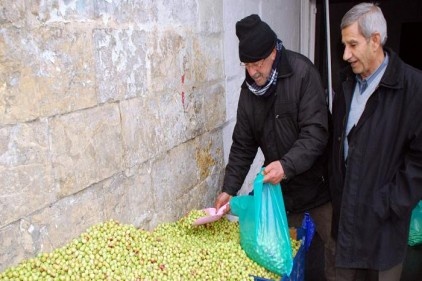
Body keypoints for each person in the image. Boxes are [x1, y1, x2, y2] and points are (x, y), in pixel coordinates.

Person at [213, 14, 335, 280]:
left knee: (329, 258)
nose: (252, 72)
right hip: (283, 196)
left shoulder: (303, 75)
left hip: (318, 190)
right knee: (288, 259)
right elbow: (243, 146)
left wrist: (286, 165)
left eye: (257, 64)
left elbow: (316, 133)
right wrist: (228, 189)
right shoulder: (249, 93)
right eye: (246, 65)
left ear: (273, 53)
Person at [329, 2, 422, 281]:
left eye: (352, 44)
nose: (345, 55)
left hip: (383, 228)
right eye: (344, 45)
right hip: (346, 223)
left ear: (375, 41)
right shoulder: (346, 85)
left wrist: (389, 203)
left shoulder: (413, 88)